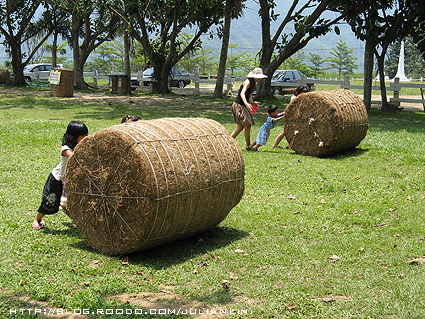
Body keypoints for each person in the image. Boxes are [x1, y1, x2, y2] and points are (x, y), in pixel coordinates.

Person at [32, 121, 88, 229]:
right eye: (82, 136)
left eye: (86, 136)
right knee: (49, 201)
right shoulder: (65, 148)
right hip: (57, 179)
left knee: (73, 200)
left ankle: (63, 205)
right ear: (74, 136)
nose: (85, 138)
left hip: (68, 180)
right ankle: (37, 219)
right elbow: (74, 157)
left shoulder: (79, 146)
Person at [230, 67, 267, 151]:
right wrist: (246, 103)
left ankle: (230, 142)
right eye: (259, 77)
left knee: (241, 127)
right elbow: (242, 93)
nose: (260, 79)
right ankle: (248, 145)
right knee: (246, 124)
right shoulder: (248, 82)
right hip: (239, 105)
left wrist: (252, 102)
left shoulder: (254, 83)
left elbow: (249, 93)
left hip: (243, 105)